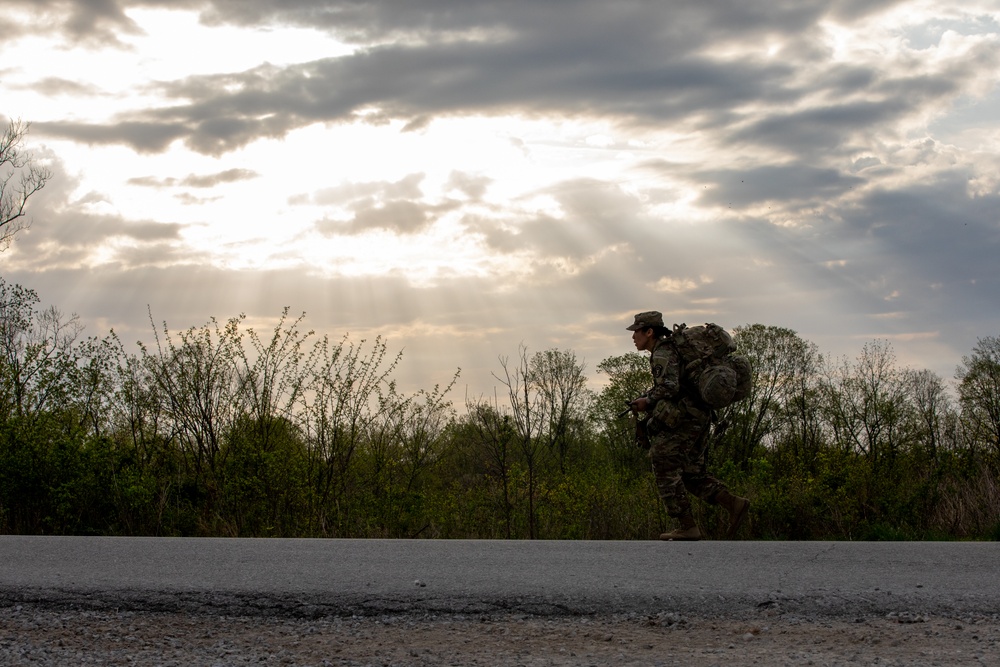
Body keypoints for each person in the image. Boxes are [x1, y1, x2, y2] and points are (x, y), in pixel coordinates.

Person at [626, 310, 750, 540]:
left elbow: (670, 388)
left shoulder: (662, 352)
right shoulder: (673, 349)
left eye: (637, 332)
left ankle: (687, 526)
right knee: (691, 473)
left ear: (649, 332)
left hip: (685, 418)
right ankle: (733, 504)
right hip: (700, 416)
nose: (633, 337)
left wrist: (648, 401)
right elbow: (676, 384)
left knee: (662, 461)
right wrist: (647, 397)